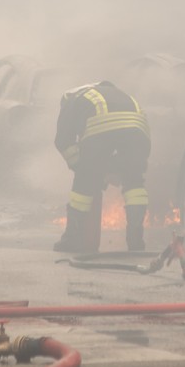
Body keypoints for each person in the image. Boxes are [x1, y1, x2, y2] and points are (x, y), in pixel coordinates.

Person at [53, 80, 150, 253]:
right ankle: (136, 240)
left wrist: (82, 168)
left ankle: (72, 238)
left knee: (83, 183)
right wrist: (114, 168)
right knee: (134, 181)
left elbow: (63, 142)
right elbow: (125, 141)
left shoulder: (71, 99)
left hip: (102, 127)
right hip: (139, 130)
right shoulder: (118, 95)